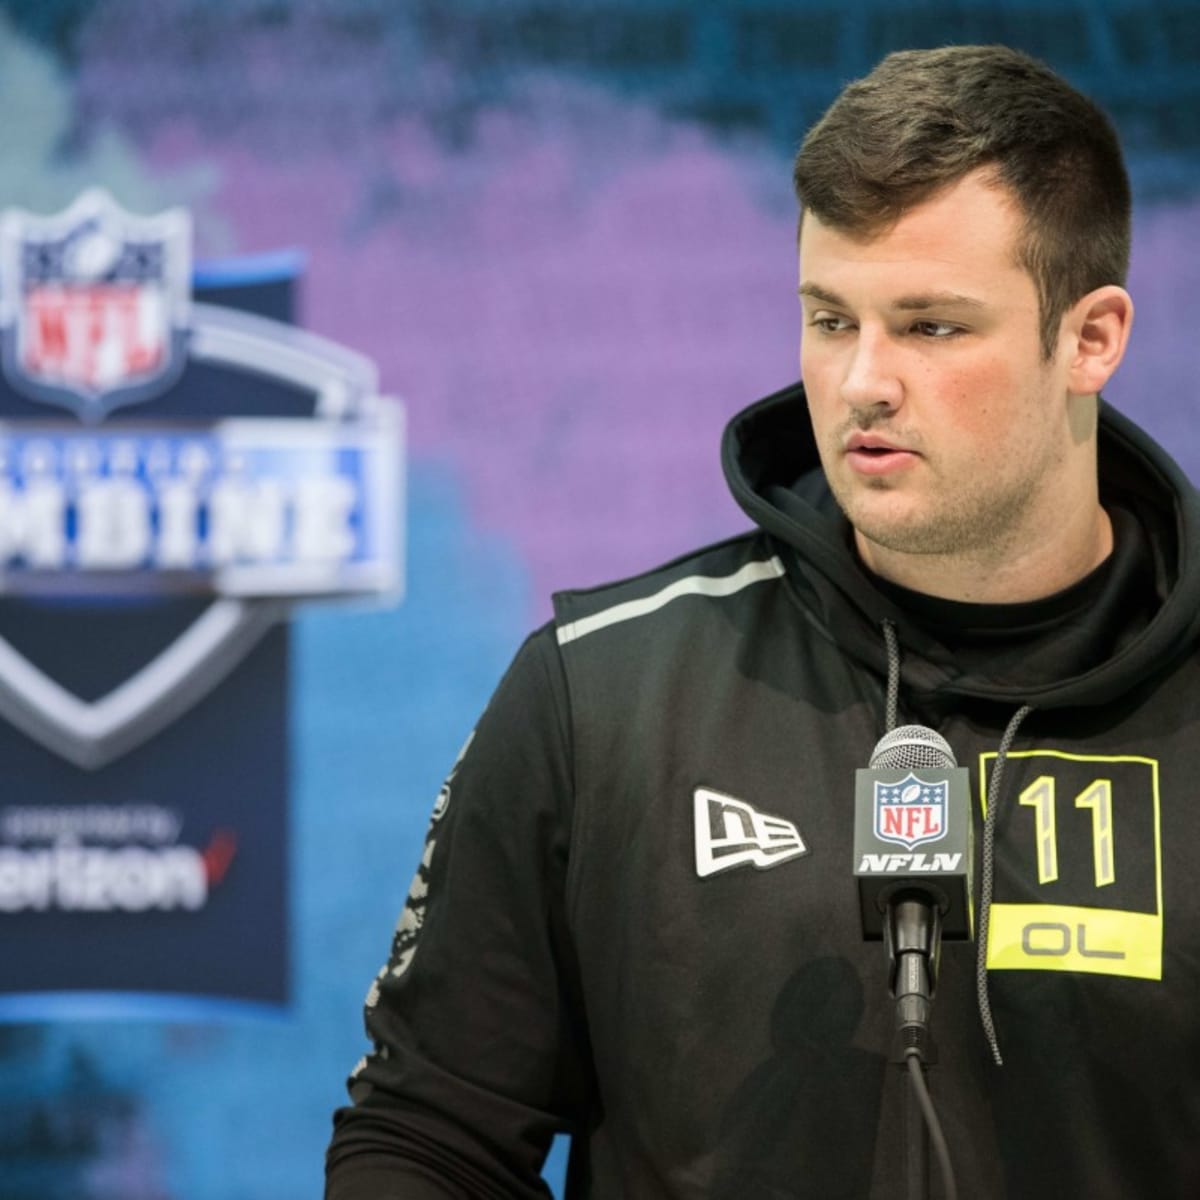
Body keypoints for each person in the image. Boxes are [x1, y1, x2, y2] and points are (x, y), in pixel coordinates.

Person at [326, 45, 1200, 1199]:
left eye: (931, 328)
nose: (862, 382)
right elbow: (423, 1142)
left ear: (1090, 338)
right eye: (832, 319)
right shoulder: (603, 696)